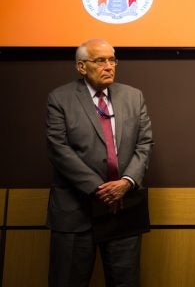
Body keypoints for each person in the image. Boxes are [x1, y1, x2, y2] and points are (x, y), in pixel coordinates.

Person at [46, 38, 153, 287]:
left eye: (112, 59)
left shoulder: (133, 96)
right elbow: (58, 148)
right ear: (81, 66)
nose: (109, 66)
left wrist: (126, 182)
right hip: (75, 210)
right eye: (100, 60)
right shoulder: (60, 98)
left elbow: (145, 144)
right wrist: (99, 188)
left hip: (123, 208)